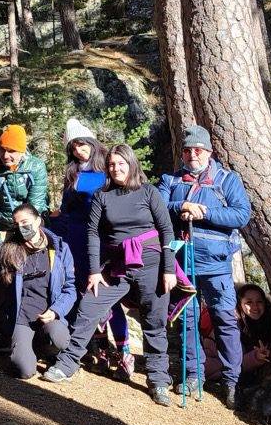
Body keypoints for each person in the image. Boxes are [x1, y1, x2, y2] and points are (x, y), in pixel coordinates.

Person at [42, 144, 178, 406]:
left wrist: (169, 268)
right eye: (112, 165)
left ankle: (159, 380)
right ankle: (68, 363)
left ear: (131, 164)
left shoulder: (148, 192)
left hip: (152, 264)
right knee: (90, 305)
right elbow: (93, 233)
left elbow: (167, 231)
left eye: (121, 164)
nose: (116, 169)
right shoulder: (102, 197)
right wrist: (94, 270)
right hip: (117, 266)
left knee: (154, 321)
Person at [157, 124, 253, 408]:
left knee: (225, 320)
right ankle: (192, 374)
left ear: (209, 152)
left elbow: (241, 214)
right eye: (187, 151)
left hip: (217, 263)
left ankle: (232, 380)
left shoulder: (227, 180)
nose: (192, 155)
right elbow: (159, 208)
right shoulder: (170, 180)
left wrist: (205, 212)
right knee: (186, 320)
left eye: (197, 150)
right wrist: (182, 206)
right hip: (182, 262)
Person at [53, 119, 132, 377]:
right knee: (85, 295)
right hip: (74, 238)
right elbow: (66, 211)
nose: (78, 149)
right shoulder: (72, 173)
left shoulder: (107, 170)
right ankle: (98, 349)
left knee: (106, 296)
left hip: (99, 240)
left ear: (92, 142)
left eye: (82, 143)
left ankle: (123, 353)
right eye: (74, 145)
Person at [0, 204, 77, 379]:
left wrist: (56, 311)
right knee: (23, 370)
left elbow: (70, 289)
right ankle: (24, 348)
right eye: (17, 224)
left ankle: (43, 349)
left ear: (38, 220)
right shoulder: (9, 249)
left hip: (48, 317)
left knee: (59, 338)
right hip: (21, 318)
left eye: (25, 222)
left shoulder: (59, 248)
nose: (21, 228)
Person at [0, 124, 49, 354]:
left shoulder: (36, 167)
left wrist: (20, 242)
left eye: (12, 151)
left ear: (22, 150)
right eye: (2, 149)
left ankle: (27, 335)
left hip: (26, 231)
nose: (6, 155)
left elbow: (35, 205)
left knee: (26, 282)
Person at [200, 284, 271, 383]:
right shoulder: (229, 327)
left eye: (259, 301)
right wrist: (255, 357)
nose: (255, 307)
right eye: (249, 302)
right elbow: (207, 367)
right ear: (240, 304)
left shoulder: (269, 321)